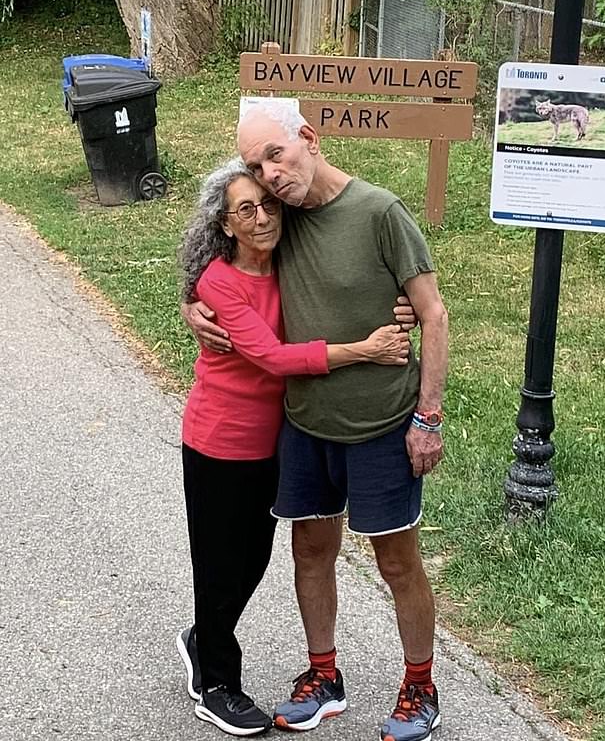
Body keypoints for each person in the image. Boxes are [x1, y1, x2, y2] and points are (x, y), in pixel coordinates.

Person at [183, 101, 449, 741]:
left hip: (381, 422)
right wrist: (191, 302)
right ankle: (323, 676)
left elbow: (433, 314)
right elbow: (224, 260)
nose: (269, 179)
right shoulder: (282, 220)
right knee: (310, 551)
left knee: (397, 561)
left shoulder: (380, 211)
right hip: (303, 423)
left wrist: (429, 417)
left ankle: (420, 687)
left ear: (309, 137)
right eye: (256, 167)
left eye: (276, 156)